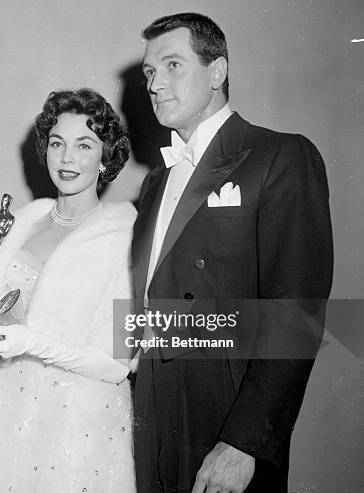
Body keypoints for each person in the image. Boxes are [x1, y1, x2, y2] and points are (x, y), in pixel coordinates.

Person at [130, 13, 333, 493]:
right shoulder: (155, 182)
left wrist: (245, 442)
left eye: (172, 65)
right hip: (151, 419)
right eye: (148, 73)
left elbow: (296, 317)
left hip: (225, 424)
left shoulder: (280, 155)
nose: (155, 84)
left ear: (217, 72)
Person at [0, 88, 137, 492]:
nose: (66, 158)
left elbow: (117, 364)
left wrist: (31, 343)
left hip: (78, 423)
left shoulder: (124, 235)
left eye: (85, 145)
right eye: (57, 143)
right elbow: (2, 320)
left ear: (105, 157)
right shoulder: (23, 223)